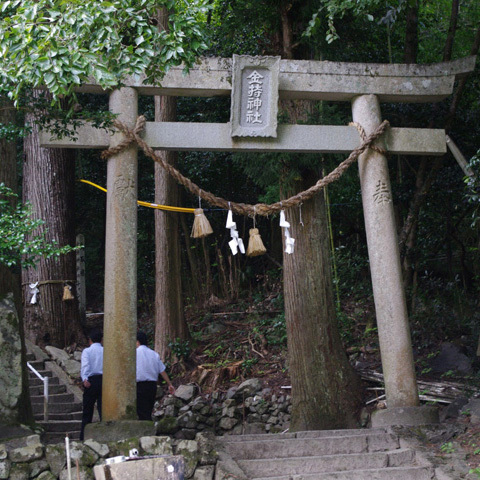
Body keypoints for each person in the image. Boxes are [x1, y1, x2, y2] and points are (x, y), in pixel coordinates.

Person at [136, 330, 175, 420]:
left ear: (137, 341)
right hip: (152, 386)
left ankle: (146, 431)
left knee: (141, 410)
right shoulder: (154, 354)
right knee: (149, 409)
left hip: (139, 385)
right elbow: (162, 371)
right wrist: (170, 384)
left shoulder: (134, 353)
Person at [80, 328, 103, 440]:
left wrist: (85, 379)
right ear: (101, 340)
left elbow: (85, 365)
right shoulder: (106, 351)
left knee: (87, 410)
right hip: (104, 381)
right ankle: (104, 434)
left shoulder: (87, 351)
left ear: (90, 340)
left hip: (91, 380)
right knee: (103, 409)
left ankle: (83, 436)